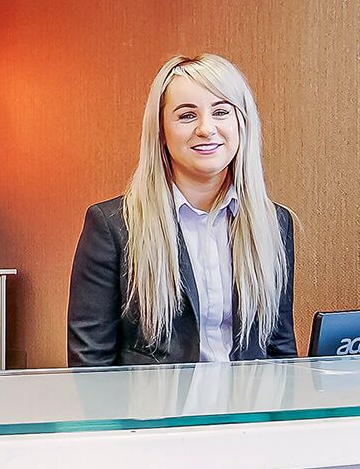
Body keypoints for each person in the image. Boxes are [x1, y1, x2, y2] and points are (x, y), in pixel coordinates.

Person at [67, 54, 296, 366]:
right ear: (162, 132)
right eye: (187, 115)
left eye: (221, 112)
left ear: (242, 124)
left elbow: (280, 349)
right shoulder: (112, 226)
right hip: (154, 400)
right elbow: (89, 361)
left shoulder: (274, 223)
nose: (206, 129)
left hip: (249, 399)